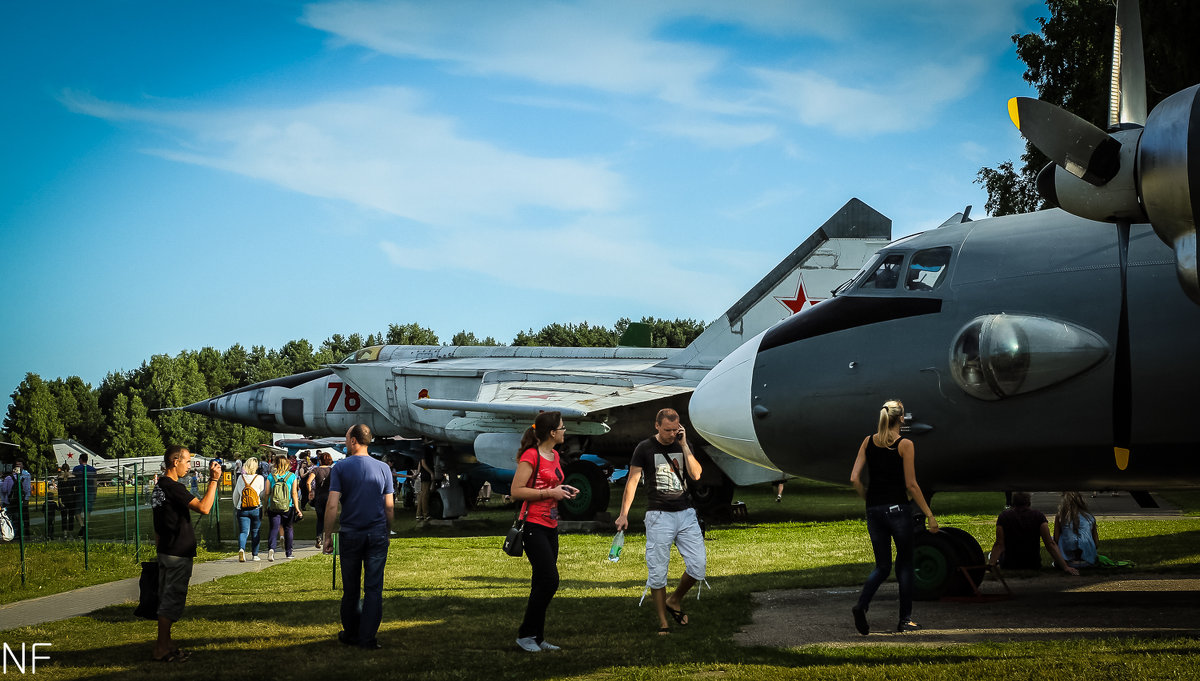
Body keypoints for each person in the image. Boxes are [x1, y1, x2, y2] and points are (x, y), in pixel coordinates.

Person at [849, 400, 938, 635]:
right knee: (905, 565)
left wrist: (865, 497)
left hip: (874, 510)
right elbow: (911, 484)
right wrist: (929, 514)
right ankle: (904, 619)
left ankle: (862, 605)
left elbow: (854, 478)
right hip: (898, 510)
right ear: (902, 418)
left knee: (882, 566)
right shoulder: (905, 444)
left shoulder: (868, 441)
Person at [615, 408, 707, 635]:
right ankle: (663, 623)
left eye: (675, 430)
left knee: (699, 565)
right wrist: (624, 514)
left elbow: (696, 475)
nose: (671, 434)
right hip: (659, 514)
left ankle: (674, 600)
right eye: (667, 430)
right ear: (656, 426)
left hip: (685, 512)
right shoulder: (644, 448)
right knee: (657, 570)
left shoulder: (682, 444)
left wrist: (684, 445)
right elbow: (633, 481)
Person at [322, 424, 394, 650]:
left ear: (354, 441)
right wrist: (388, 529)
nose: (345, 442)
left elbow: (332, 505)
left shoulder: (341, 468)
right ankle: (368, 637)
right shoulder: (383, 468)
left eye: (346, 438)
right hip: (377, 533)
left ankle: (351, 633)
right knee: (374, 588)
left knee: (350, 588)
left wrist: (326, 535)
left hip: (350, 533)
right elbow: (389, 506)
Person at [510, 411, 577, 652]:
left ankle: (536, 637)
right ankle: (526, 634)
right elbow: (516, 490)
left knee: (542, 582)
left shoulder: (555, 455)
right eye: (562, 427)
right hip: (533, 525)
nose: (564, 430)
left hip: (551, 525)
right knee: (549, 580)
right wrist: (550, 493)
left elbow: (551, 483)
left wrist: (564, 489)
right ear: (551, 432)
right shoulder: (531, 455)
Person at [151, 445, 221, 663]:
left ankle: (167, 644)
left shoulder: (159, 487)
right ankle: (161, 648)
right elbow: (204, 507)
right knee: (171, 603)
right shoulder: (173, 487)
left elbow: (157, 525)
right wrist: (214, 480)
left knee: (166, 600)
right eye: (187, 462)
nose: (189, 466)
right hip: (177, 554)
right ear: (175, 462)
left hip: (166, 551)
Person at [987, 491, 1079, 575]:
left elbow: (999, 544)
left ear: (1013, 502)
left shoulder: (1004, 516)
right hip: (1032, 563)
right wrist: (1065, 567)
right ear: (1029, 502)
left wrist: (991, 565)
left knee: (991, 554)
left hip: (1009, 564)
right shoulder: (1038, 516)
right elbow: (1050, 544)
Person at [264, 455, 303, 560]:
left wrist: (265, 506)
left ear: (275, 464)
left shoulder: (271, 477)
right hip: (288, 506)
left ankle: (271, 549)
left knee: (273, 528)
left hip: (273, 506)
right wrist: (297, 508)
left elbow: (266, 492)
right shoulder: (292, 476)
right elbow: (294, 493)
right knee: (288, 528)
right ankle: (289, 552)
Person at [231, 457, 266, 562]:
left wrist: (237, 505)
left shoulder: (241, 478)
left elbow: (235, 495)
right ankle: (255, 555)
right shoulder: (259, 478)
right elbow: (262, 494)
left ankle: (242, 549)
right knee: (255, 531)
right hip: (256, 508)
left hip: (242, 508)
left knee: (243, 532)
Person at [1054, 492, 1100, 568]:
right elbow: (1096, 543)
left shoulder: (1061, 516)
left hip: (1067, 562)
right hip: (1088, 561)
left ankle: (1063, 559)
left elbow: (1056, 540)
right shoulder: (1090, 517)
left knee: (1055, 537)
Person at [306, 451, 335, 549]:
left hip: (319, 497)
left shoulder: (316, 470)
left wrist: (310, 492)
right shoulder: (332, 471)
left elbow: (308, 482)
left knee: (320, 519)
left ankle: (318, 537)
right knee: (329, 519)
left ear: (320, 460)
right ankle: (327, 538)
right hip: (329, 497)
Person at [73, 454, 99, 536]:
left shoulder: (76, 469)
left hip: (79, 492)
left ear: (80, 459)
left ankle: (82, 526)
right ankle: (85, 527)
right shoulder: (93, 469)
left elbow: (73, 481)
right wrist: (95, 493)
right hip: (90, 492)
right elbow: (95, 482)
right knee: (88, 511)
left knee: (77, 511)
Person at [416, 447, 434, 521]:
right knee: (425, 495)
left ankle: (419, 514)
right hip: (426, 475)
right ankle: (425, 514)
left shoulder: (422, 450)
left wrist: (417, 472)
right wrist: (431, 473)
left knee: (422, 495)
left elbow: (420, 463)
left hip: (423, 475)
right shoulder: (426, 450)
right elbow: (423, 463)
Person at [57, 464, 76, 537]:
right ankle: (71, 533)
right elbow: (75, 488)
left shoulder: (60, 478)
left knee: (64, 517)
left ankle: (65, 533)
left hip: (63, 499)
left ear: (62, 469)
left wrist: (59, 500)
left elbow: (59, 490)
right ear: (68, 469)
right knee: (71, 517)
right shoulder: (73, 477)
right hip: (71, 498)